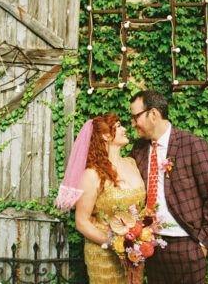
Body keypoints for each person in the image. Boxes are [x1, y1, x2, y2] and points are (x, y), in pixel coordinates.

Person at [129, 89, 208, 284]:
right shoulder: (138, 150)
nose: (132, 123)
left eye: (135, 117)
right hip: (152, 246)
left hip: (187, 245)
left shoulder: (193, 145)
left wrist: (202, 244)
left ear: (153, 114)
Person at [55, 114, 145, 284]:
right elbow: (82, 221)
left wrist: (138, 240)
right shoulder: (92, 174)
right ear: (105, 135)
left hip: (135, 254)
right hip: (104, 256)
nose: (125, 129)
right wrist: (115, 244)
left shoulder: (131, 163)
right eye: (118, 126)